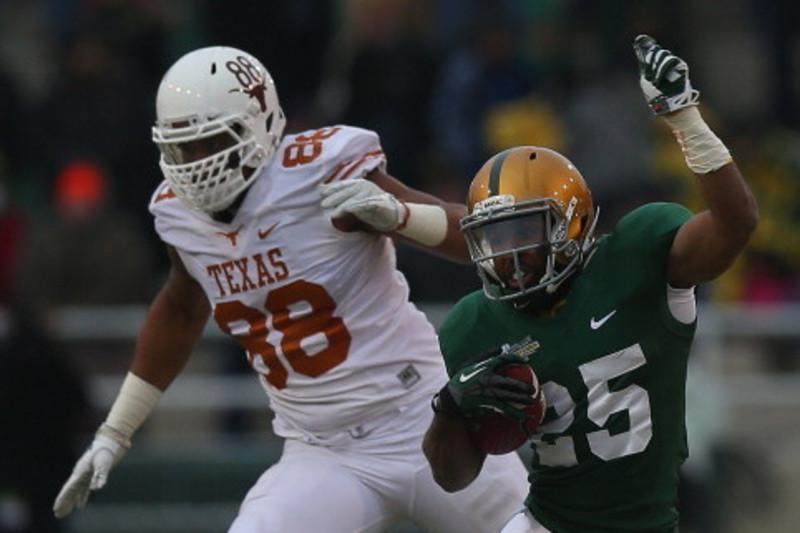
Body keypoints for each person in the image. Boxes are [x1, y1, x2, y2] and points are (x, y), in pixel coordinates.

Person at [51, 45, 530, 533]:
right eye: (182, 147)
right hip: (321, 452)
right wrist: (117, 431)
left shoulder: (318, 172)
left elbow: (475, 238)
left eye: (211, 142)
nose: (195, 163)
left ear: (257, 125)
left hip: (426, 418)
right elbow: (181, 308)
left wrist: (401, 215)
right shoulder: (179, 215)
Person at [422, 34, 758, 533]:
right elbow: (451, 476)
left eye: (523, 235)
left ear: (571, 224)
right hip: (547, 523)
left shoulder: (636, 259)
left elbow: (735, 225)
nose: (509, 258)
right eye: (493, 240)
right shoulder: (476, 321)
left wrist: (686, 119)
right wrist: (449, 408)